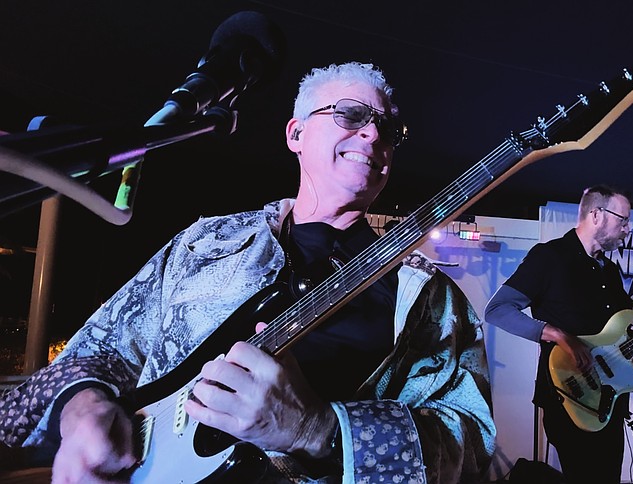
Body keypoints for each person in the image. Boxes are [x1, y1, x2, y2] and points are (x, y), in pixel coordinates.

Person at [0, 61, 496, 483]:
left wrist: (317, 430)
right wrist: (82, 406)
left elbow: (471, 443)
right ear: (296, 134)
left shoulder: (426, 295)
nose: (372, 134)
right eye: (351, 115)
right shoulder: (206, 241)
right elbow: (102, 348)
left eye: (388, 129)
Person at [484, 184, 633, 483]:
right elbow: (498, 309)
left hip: (610, 400)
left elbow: (625, 339)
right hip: (569, 393)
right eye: (623, 220)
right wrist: (557, 334)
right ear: (596, 215)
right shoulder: (550, 257)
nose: (627, 229)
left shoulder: (609, 271)